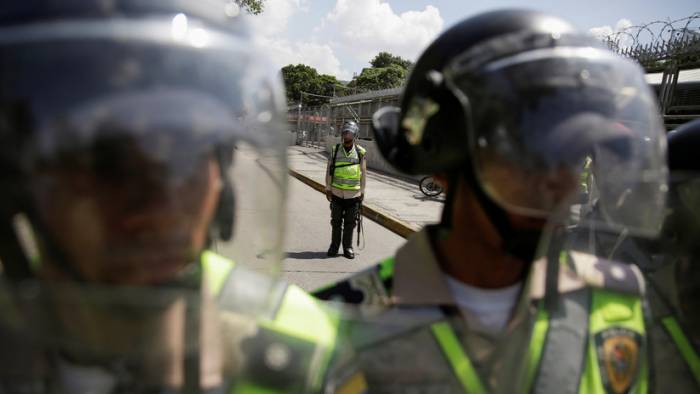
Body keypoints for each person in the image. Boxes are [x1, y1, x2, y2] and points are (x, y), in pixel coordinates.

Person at [316, 9, 670, 393]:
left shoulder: (616, 304)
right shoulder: (339, 326)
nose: (564, 182)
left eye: (574, 155)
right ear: (445, 163)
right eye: (536, 154)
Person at [0, 1, 342, 393]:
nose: (160, 212)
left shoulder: (304, 348)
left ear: (221, 177)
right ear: (17, 186)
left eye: (189, 153)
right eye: (104, 161)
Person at [325, 120, 367, 259]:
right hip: (336, 193)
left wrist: (362, 191)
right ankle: (334, 246)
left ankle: (347, 247)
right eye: (345, 133)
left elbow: (363, 173)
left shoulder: (360, 152)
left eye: (349, 133)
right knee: (336, 222)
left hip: (353, 195)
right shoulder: (335, 150)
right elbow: (329, 171)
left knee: (350, 224)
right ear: (342, 135)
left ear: (355, 136)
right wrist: (328, 187)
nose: (346, 136)